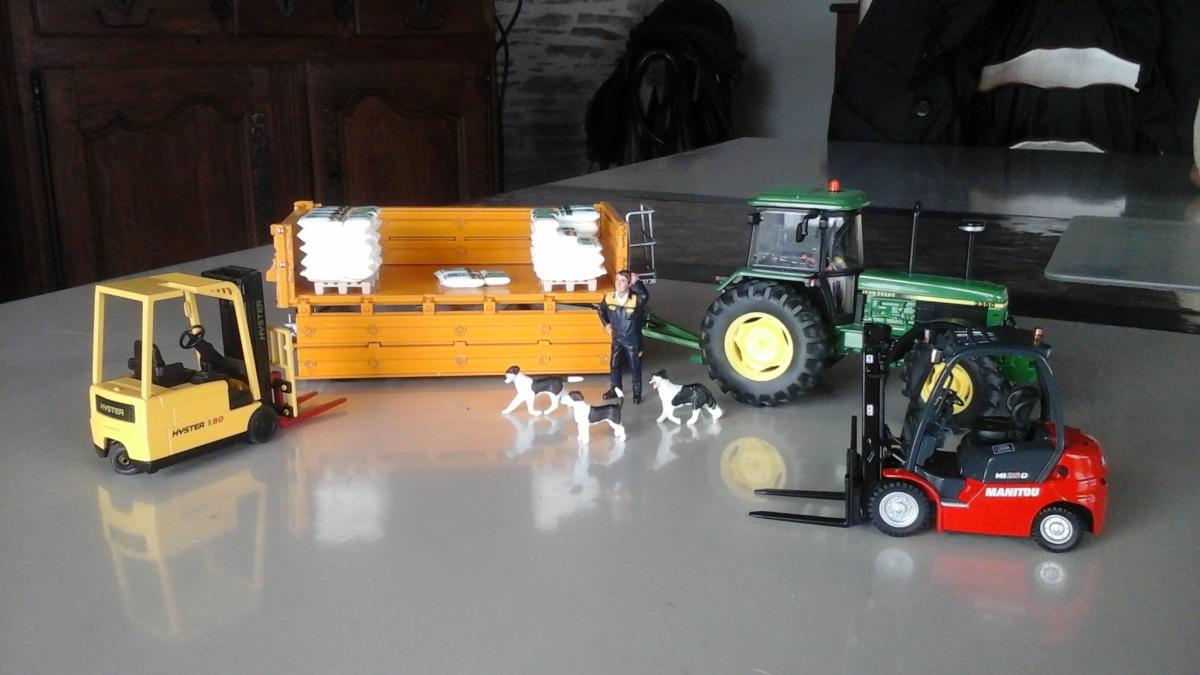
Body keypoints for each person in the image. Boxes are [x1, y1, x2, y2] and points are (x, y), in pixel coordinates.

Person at [597, 270, 649, 404]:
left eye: (623, 281)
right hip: (617, 340)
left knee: (634, 367)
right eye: (617, 280)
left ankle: (637, 393)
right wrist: (606, 324)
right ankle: (616, 389)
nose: (618, 283)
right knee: (614, 365)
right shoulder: (609, 298)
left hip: (632, 341)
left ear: (629, 284)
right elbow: (601, 310)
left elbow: (645, 296)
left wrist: (637, 281)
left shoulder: (635, 299)